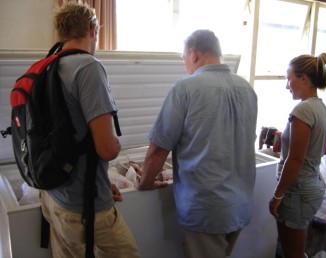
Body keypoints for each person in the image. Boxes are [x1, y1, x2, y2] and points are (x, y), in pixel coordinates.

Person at [139, 29, 258, 258]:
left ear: (193, 54)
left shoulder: (185, 88)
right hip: (240, 204)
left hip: (205, 207)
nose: (186, 65)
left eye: (184, 59)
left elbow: (158, 149)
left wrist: (144, 183)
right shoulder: (247, 89)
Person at [39, 3, 140, 258]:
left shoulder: (48, 66)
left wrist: (102, 181)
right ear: (93, 29)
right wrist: (116, 144)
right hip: (82, 208)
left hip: (52, 197)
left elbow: (67, 138)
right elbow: (106, 148)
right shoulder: (88, 68)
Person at [269, 53, 326, 258]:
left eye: (289, 79)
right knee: (297, 250)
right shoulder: (322, 107)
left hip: (298, 191)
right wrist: (306, 148)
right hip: (314, 186)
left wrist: (277, 195)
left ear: (304, 78)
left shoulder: (302, 111)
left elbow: (295, 160)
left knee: (292, 253)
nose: (287, 86)